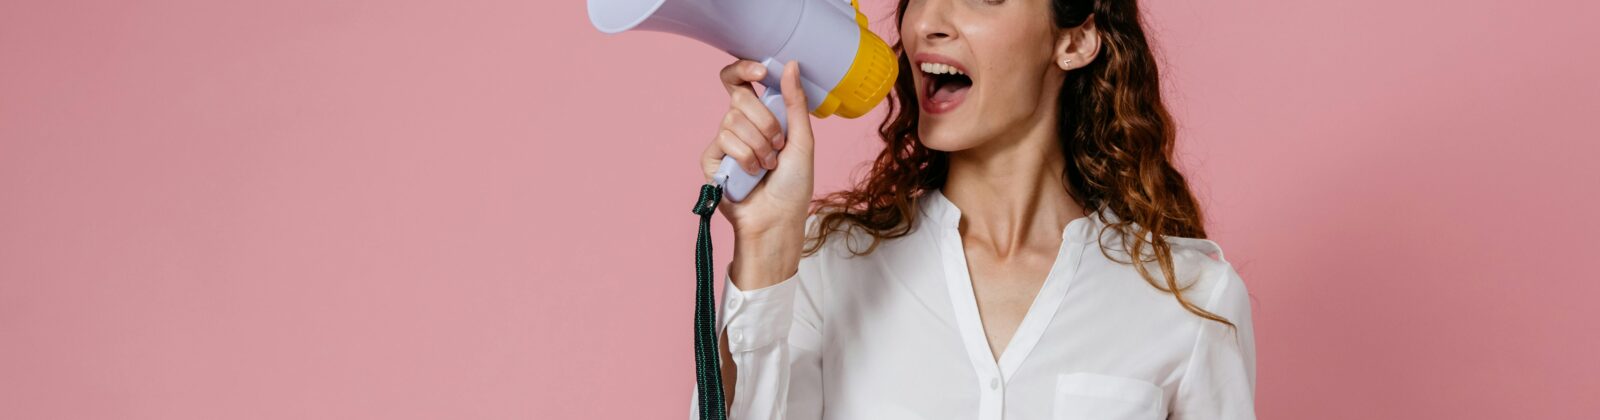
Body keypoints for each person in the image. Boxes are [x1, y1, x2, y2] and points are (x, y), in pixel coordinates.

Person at [693, 0, 1255, 418]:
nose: (928, 22)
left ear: (1075, 41)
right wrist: (765, 244)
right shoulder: (822, 265)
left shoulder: (1191, 298)